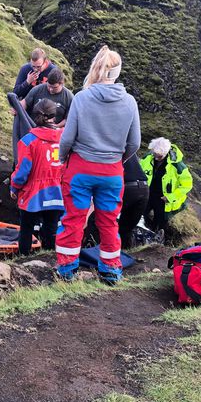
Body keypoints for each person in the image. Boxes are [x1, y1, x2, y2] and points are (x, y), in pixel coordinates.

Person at [55, 45, 140, 284]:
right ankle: (111, 270)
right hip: (112, 171)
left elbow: (68, 137)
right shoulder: (130, 102)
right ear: (117, 72)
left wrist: (63, 158)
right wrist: (117, 161)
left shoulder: (82, 98)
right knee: (109, 221)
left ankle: (66, 270)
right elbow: (134, 143)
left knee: (74, 218)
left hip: (80, 169)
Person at [10, 99, 64, 255]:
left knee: (26, 228)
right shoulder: (64, 138)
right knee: (51, 228)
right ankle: (49, 259)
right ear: (55, 115)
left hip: (33, 193)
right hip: (57, 192)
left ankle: (23, 260)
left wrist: (14, 187)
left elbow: (22, 171)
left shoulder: (28, 141)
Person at [82, 153, 149, 249]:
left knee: (96, 219)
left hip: (126, 187)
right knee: (126, 228)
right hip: (144, 189)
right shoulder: (126, 147)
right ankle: (124, 253)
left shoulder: (106, 149)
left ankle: (93, 251)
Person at [140, 137, 192, 238]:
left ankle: (155, 241)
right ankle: (141, 236)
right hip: (147, 194)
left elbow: (187, 185)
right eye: (154, 154)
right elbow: (139, 172)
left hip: (164, 199)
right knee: (140, 215)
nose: (156, 158)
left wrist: (170, 197)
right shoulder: (147, 157)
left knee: (159, 222)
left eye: (159, 156)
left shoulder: (178, 166)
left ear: (166, 153)